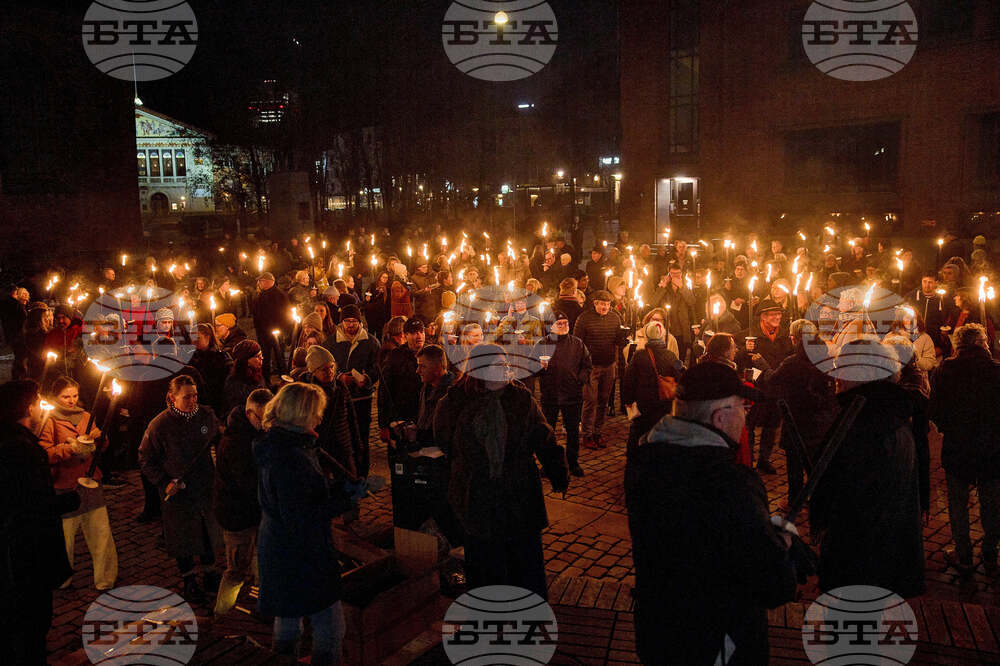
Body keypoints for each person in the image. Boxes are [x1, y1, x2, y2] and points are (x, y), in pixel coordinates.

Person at [625, 362, 797, 665]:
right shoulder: (731, 482)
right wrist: (782, 544)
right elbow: (774, 584)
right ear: (720, 418)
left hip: (659, 630)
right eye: (742, 407)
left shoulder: (645, 458)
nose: (746, 416)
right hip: (719, 641)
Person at [433, 344, 569, 597]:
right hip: (478, 495)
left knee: (524, 562)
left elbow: (543, 437)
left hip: (517, 495)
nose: (504, 371)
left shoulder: (520, 399)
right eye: (497, 365)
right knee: (484, 562)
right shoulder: (455, 401)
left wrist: (558, 471)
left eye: (505, 365)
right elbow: (443, 438)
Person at [255, 383, 363, 665]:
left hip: (280, 549)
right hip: (301, 555)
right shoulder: (289, 457)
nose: (319, 418)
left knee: (289, 621)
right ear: (301, 414)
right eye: (316, 412)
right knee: (330, 626)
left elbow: (301, 498)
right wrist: (345, 500)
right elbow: (303, 515)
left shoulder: (280, 445)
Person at [810, 339, 925, 596]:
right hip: (883, 554)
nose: (836, 375)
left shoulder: (866, 421)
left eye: (843, 368)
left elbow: (852, 495)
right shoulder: (886, 410)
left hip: (860, 557)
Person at [0, 380, 80, 664]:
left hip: (18, 551)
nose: (39, 404)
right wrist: (67, 501)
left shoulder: (12, 440)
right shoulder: (21, 449)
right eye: (35, 400)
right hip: (27, 552)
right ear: (26, 407)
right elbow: (30, 503)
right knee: (31, 622)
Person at [139, 374, 223, 602]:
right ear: (172, 398)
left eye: (195, 395)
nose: (192, 400)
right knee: (183, 537)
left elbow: (219, 440)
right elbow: (146, 458)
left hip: (204, 484)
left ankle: (210, 572)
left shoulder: (206, 416)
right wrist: (164, 482)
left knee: (206, 530)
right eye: (187, 397)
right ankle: (189, 579)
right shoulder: (159, 425)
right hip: (178, 490)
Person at [930, 323, 1000, 576]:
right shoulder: (996, 371)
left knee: (958, 503)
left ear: (958, 344)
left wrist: (946, 427)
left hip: (958, 446)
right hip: (991, 448)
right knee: (991, 502)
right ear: (984, 343)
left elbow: (935, 408)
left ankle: (964, 554)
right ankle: (991, 553)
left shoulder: (946, 370)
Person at [38, 376, 118, 591]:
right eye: (65, 396)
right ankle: (62, 577)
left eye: (74, 395)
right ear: (55, 397)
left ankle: (105, 578)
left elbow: (101, 444)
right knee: (65, 537)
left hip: (90, 480)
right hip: (65, 484)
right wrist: (70, 449)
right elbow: (44, 453)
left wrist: (99, 439)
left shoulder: (85, 416)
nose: (71, 400)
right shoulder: (49, 420)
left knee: (100, 532)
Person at [761, 320, 838, 503]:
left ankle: (795, 500)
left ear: (796, 339)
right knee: (817, 462)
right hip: (822, 422)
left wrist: (762, 366)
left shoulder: (793, 362)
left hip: (797, 420)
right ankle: (819, 499)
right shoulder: (826, 358)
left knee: (794, 463)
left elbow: (773, 379)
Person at [213, 387, 272, 616]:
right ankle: (222, 614)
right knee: (237, 569)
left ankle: (261, 606)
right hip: (237, 515)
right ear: (249, 414)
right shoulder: (236, 443)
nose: (267, 423)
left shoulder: (257, 433)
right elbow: (248, 484)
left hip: (256, 512)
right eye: (263, 417)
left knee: (261, 563)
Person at [533, 310, 592, 477]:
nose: (563, 326)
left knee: (573, 431)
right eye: (559, 323)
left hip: (572, 395)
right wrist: (539, 367)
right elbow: (531, 367)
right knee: (548, 432)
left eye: (565, 323)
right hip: (550, 395)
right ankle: (549, 464)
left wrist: (579, 379)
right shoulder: (542, 344)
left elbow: (587, 365)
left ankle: (573, 463)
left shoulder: (578, 344)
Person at [323, 304, 380, 474]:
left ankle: (362, 473)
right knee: (342, 437)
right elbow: (325, 367)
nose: (350, 325)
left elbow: (377, 368)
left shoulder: (371, 342)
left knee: (361, 436)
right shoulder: (331, 343)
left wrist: (367, 379)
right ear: (341, 323)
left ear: (359, 322)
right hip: (339, 398)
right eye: (347, 321)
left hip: (362, 398)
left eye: (354, 321)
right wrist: (339, 377)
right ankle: (346, 473)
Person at [574, 290, 626, 450]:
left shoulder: (614, 318)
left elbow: (618, 341)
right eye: (601, 304)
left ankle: (598, 432)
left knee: (603, 400)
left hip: (609, 364)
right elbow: (577, 343)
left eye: (607, 304)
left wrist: (624, 337)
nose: (604, 307)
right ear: (595, 303)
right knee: (590, 401)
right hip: (591, 367)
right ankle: (587, 434)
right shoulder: (584, 319)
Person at [622, 321, 681, 451]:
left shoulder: (639, 355)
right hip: (664, 402)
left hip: (644, 402)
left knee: (639, 429)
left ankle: (635, 455)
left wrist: (628, 400)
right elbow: (680, 374)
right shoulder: (670, 356)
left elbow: (629, 379)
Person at [304, 345, 360, 479]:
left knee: (349, 485)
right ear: (314, 371)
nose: (329, 371)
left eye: (331, 367)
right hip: (322, 448)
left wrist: (357, 444)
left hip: (343, 447)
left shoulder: (341, 388)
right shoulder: (308, 393)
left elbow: (351, 418)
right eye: (324, 369)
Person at [378, 318, 425, 444]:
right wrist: (383, 425)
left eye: (421, 331)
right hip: (401, 418)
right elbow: (384, 391)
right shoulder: (395, 357)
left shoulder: (430, 353)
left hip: (424, 419)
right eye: (414, 332)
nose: (419, 336)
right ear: (406, 335)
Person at [253, 272, 289, 379]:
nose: (259, 283)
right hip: (265, 332)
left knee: (278, 356)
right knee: (267, 357)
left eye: (261, 281)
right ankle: (268, 379)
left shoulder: (279, 295)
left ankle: (282, 377)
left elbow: (284, 314)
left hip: (274, 331)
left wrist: (283, 328)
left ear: (268, 282)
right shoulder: (261, 295)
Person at [191, 322, 231, 415]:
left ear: (207, 337)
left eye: (197, 338)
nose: (193, 342)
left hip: (218, 402)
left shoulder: (220, 357)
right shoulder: (193, 358)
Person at [224, 339, 267, 414]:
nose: (262, 358)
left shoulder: (256, 373)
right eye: (257, 356)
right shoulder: (235, 383)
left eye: (261, 355)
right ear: (246, 361)